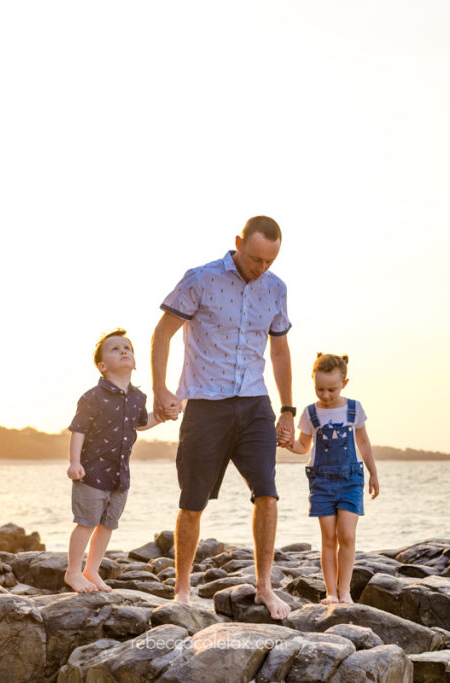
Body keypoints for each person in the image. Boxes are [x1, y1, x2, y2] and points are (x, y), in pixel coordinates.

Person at [151, 215, 295, 620]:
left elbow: (280, 351)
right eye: (255, 258)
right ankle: (182, 589)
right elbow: (162, 333)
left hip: (254, 404)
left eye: (269, 261)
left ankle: (265, 587)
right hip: (206, 405)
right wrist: (162, 389)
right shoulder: (200, 279)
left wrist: (287, 409)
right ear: (238, 242)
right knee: (192, 500)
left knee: (267, 492)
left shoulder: (276, 289)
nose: (260, 268)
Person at [64, 328, 166, 593]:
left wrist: (163, 415)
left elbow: (142, 423)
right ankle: (73, 572)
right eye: (115, 349)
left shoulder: (137, 397)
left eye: (127, 348)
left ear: (134, 361)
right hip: (92, 472)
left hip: (120, 476)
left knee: (108, 525)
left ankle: (92, 570)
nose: (123, 351)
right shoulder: (93, 397)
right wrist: (74, 462)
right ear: (102, 366)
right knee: (86, 522)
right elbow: (78, 429)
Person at [284, 353, 379, 604]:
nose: (325, 395)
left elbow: (363, 442)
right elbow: (303, 446)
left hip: (350, 479)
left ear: (344, 384)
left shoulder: (353, 408)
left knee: (346, 535)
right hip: (321, 482)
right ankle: (331, 592)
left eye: (332, 389)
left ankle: (345, 590)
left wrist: (373, 473)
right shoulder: (310, 413)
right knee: (328, 538)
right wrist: (287, 444)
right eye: (319, 389)